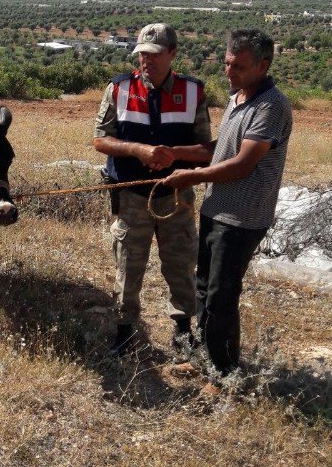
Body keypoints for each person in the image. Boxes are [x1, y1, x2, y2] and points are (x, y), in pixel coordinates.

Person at [162, 29, 292, 375]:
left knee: (221, 297)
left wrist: (191, 177)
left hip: (242, 217)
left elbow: (243, 163)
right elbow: (220, 150)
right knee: (204, 288)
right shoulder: (239, 97)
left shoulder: (272, 105)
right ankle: (206, 360)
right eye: (226, 64)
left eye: (239, 66)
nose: (229, 73)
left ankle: (223, 374)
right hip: (215, 209)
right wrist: (175, 154)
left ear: (264, 65)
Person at [94, 23, 213, 355]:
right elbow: (99, 140)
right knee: (128, 265)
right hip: (132, 197)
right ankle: (125, 329)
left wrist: (174, 157)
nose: (147, 61)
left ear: (173, 54)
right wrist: (138, 151)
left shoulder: (193, 91)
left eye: (155, 54)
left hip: (177, 196)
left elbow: (207, 148)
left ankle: (182, 328)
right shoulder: (118, 89)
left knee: (180, 263)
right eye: (142, 54)